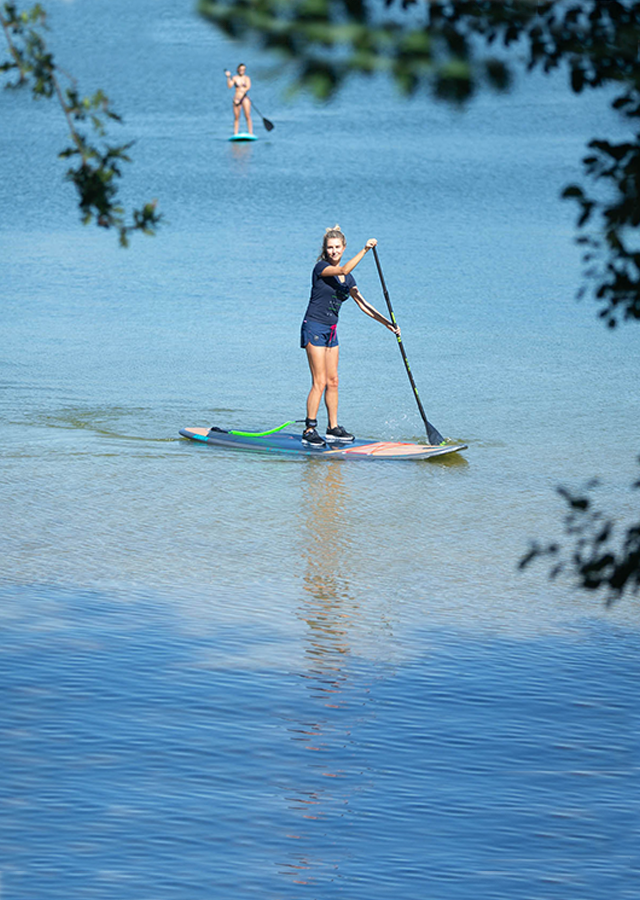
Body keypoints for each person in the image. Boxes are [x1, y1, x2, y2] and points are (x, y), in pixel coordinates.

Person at [300, 225, 400, 447]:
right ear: (325, 250)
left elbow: (363, 304)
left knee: (333, 381)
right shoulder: (321, 268)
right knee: (319, 381)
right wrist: (365, 250)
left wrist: (388, 324)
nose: (333, 251)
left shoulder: (349, 278)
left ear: (343, 248)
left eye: (337, 247)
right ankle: (309, 429)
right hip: (314, 327)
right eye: (330, 248)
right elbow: (343, 270)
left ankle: (333, 428)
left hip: (331, 331)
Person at [224, 64, 253, 136]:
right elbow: (229, 86)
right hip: (236, 98)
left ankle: (251, 133)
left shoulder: (247, 78)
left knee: (247, 116)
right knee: (236, 117)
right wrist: (228, 77)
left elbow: (248, 87)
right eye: (240, 69)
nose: (242, 71)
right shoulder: (234, 78)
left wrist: (241, 97)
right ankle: (235, 133)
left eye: (243, 69)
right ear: (238, 70)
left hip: (244, 98)